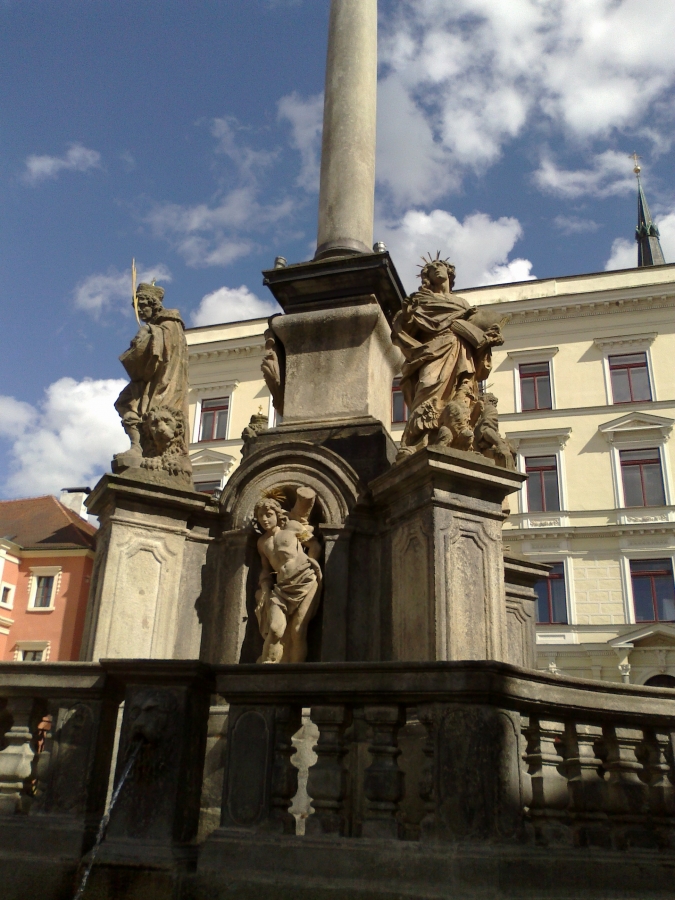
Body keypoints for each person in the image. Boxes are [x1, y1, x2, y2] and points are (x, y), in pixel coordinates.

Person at [391, 256, 504, 459]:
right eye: (431, 268)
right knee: (427, 387)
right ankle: (417, 441)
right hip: (432, 349)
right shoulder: (421, 300)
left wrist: (488, 340)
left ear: (449, 273)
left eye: (439, 266)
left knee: (461, 394)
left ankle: (456, 436)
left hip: (460, 348)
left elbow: (475, 332)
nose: (436, 269)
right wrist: (407, 316)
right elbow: (405, 331)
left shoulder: (462, 304)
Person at [114, 282, 192, 480]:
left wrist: (148, 332)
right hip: (148, 377)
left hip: (164, 379)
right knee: (124, 402)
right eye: (136, 308)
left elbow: (168, 349)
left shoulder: (170, 322)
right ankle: (137, 445)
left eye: (143, 306)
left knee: (147, 411)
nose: (140, 311)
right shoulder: (159, 324)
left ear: (154, 304)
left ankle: (147, 450)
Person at [254, 488, 322, 664]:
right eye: (260, 516)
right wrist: (265, 586)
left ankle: (295, 670)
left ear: (278, 514)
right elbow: (265, 569)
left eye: (268, 515)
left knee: (298, 630)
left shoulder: (293, 527)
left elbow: (314, 545)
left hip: (305, 580)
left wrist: (312, 563)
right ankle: (268, 665)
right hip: (282, 588)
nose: (264, 519)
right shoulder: (262, 542)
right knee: (275, 629)